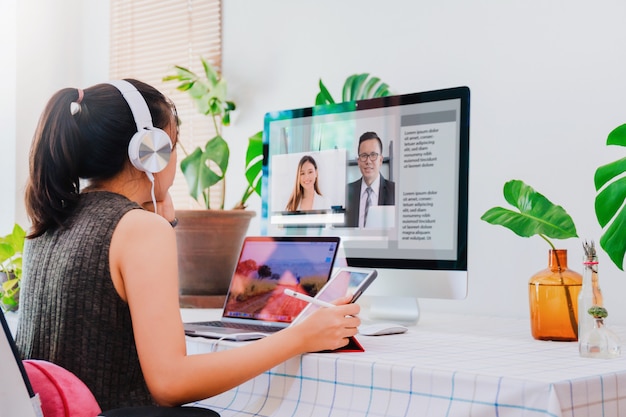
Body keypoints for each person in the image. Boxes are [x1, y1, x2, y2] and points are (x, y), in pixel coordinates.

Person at [15, 79, 360, 410]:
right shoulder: (138, 229)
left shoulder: (49, 222)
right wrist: (301, 336)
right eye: (173, 144)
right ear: (150, 152)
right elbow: (170, 384)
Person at [345, 131, 396, 227]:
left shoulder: (395, 192)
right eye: (364, 156)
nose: (368, 161)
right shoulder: (347, 192)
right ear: (358, 161)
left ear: (380, 160)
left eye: (373, 155)